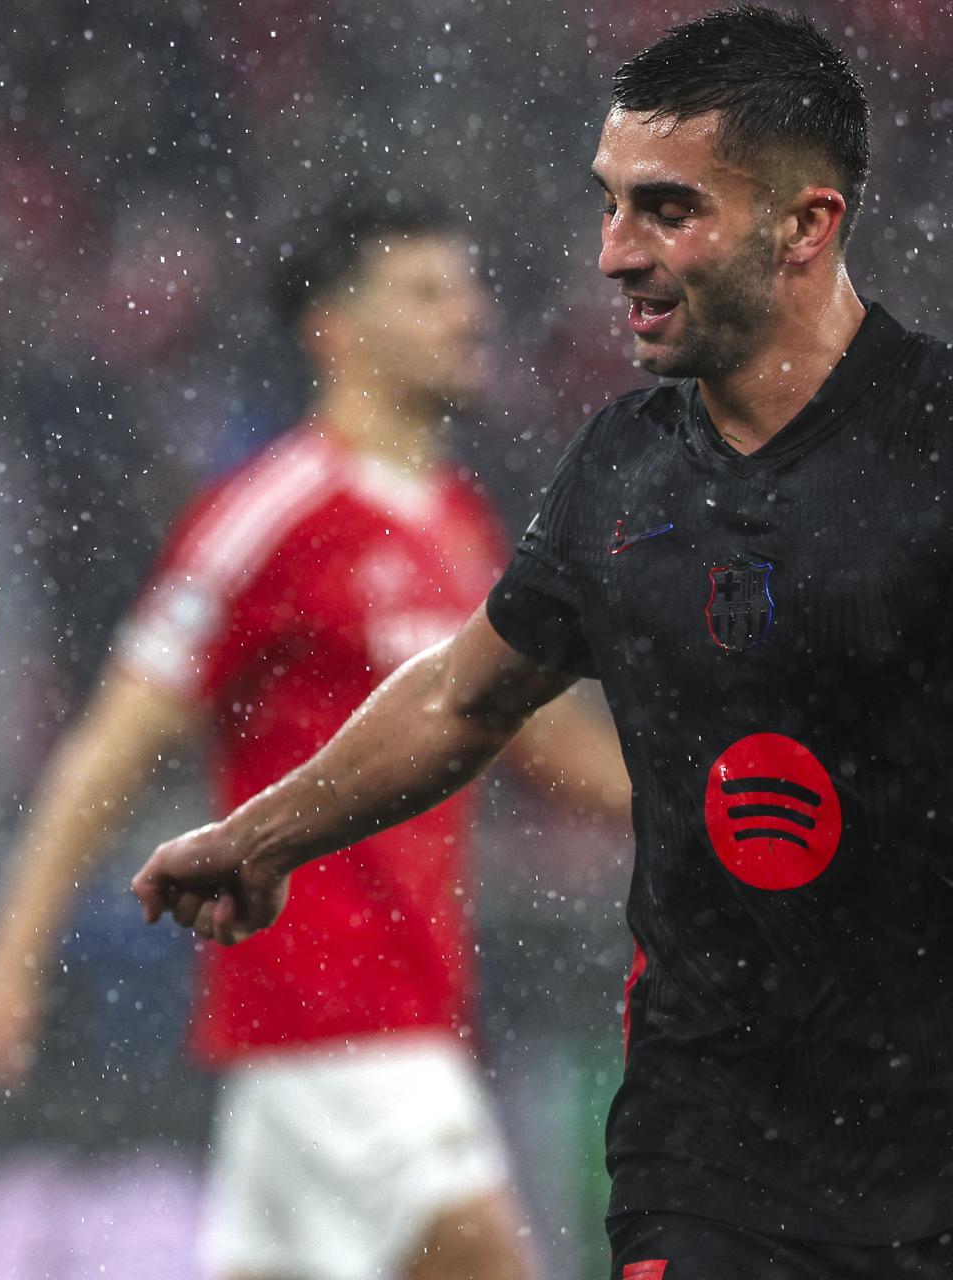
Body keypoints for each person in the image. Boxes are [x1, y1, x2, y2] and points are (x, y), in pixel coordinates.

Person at [134, 7, 953, 1277]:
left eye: (668, 209)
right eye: (608, 204)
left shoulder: (935, 449)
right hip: (710, 1140)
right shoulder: (620, 470)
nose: (615, 253)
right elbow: (467, 697)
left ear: (807, 224)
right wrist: (257, 836)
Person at [0, 199, 628, 1280]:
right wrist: (13, 958)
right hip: (332, 1009)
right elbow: (115, 741)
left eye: (468, 287)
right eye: (429, 291)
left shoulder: (459, 519)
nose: (470, 313)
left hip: (384, 1022)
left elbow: (537, 736)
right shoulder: (270, 512)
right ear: (334, 329)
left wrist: (707, 794)